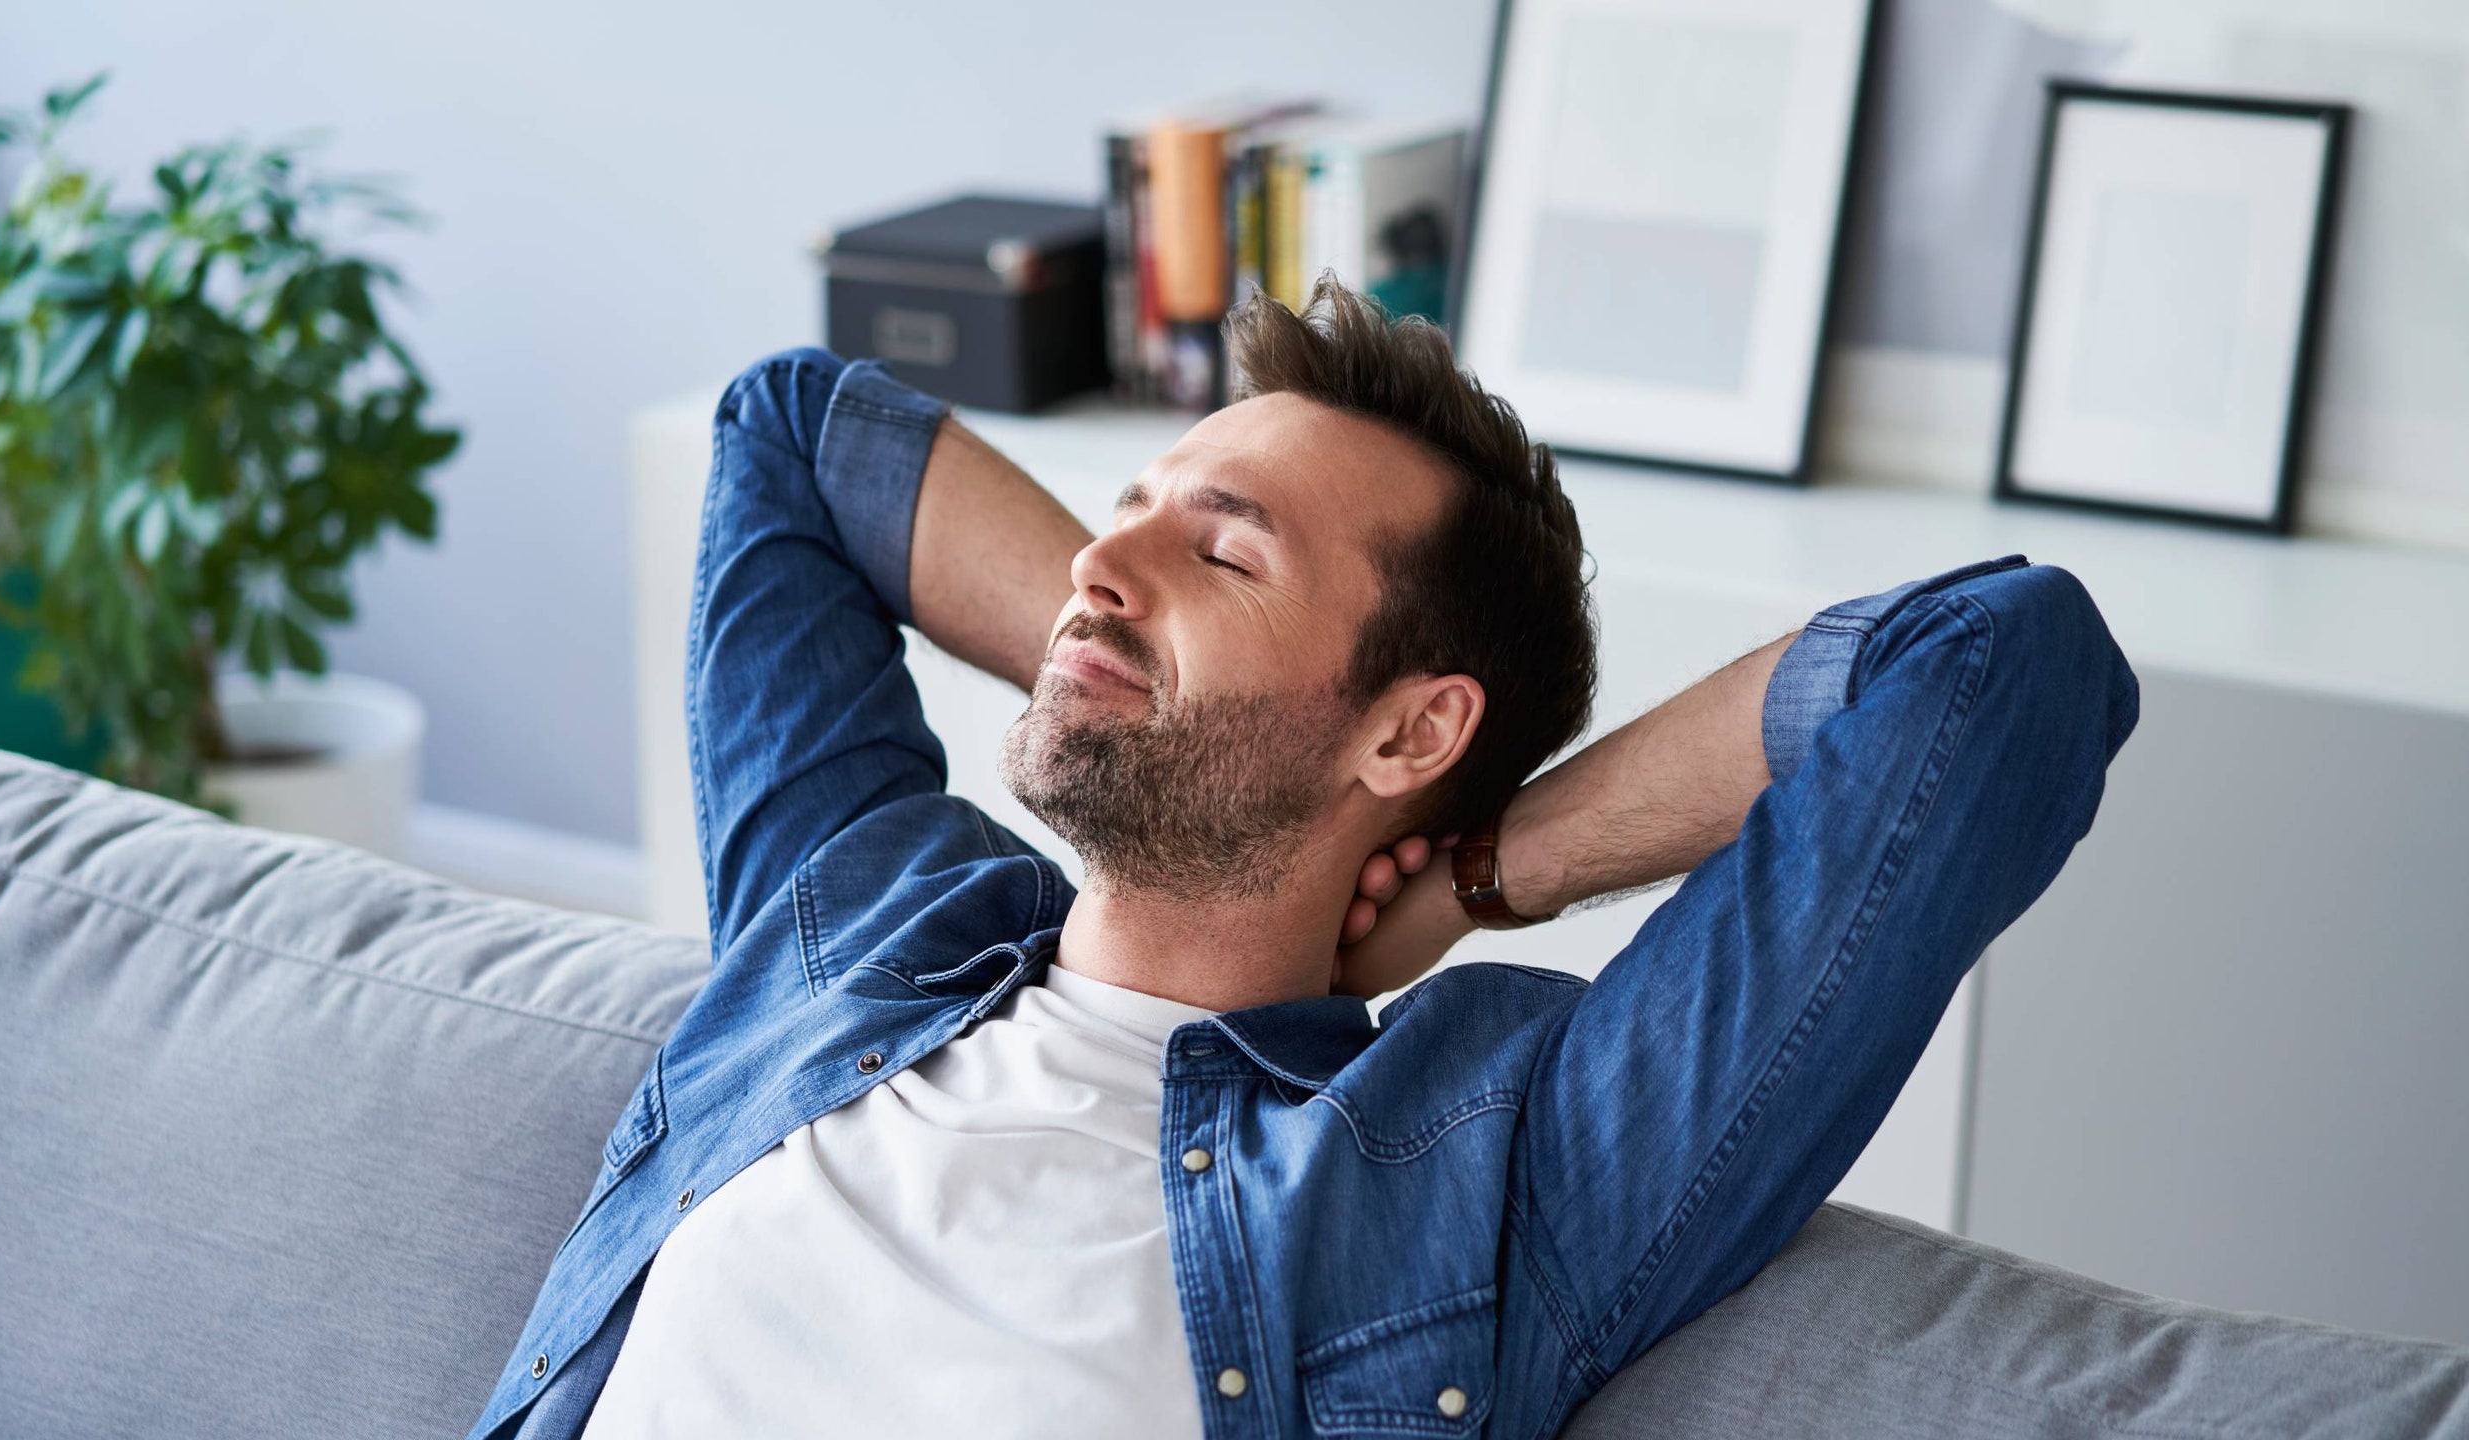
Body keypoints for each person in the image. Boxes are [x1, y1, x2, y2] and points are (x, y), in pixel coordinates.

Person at [470, 280, 2139, 1440]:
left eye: (1224, 547)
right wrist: (1146, 617)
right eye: (1128, 506)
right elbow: (788, 432)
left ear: (1409, 734)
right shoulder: (860, 918)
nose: (1096, 560)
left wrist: (1484, 867)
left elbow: (2001, 670)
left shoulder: (1475, 1173)